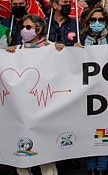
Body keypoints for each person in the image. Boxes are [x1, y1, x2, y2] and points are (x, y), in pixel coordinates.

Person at [5, 15, 63, 175]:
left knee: (46, 156)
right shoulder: (17, 50)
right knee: (21, 156)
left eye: (28, 27)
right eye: (23, 27)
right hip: (21, 111)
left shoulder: (52, 48)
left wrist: (63, 50)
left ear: (39, 29)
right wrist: (8, 53)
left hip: (44, 109)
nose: (24, 30)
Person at [80, 7, 108, 175]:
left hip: (107, 90)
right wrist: (71, 50)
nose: (97, 23)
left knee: (106, 129)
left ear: (106, 22)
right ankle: (90, 167)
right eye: (93, 20)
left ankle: (102, 167)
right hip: (84, 91)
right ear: (88, 22)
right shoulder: (81, 38)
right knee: (86, 129)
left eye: (101, 20)